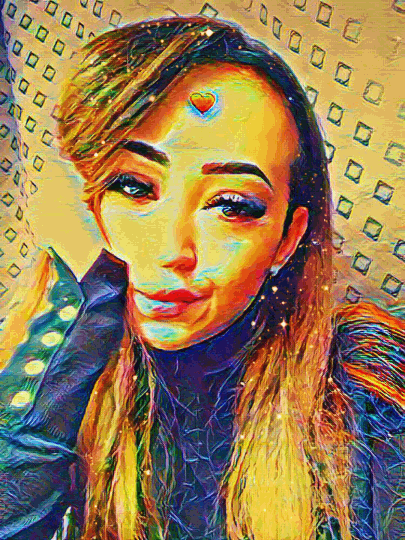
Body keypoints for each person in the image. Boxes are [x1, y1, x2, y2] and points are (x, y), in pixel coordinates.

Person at [0, 15, 404, 540]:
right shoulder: (55, 382)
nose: (172, 251)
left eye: (231, 205)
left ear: (287, 237)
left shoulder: (371, 395)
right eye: (133, 187)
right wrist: (67, 331)